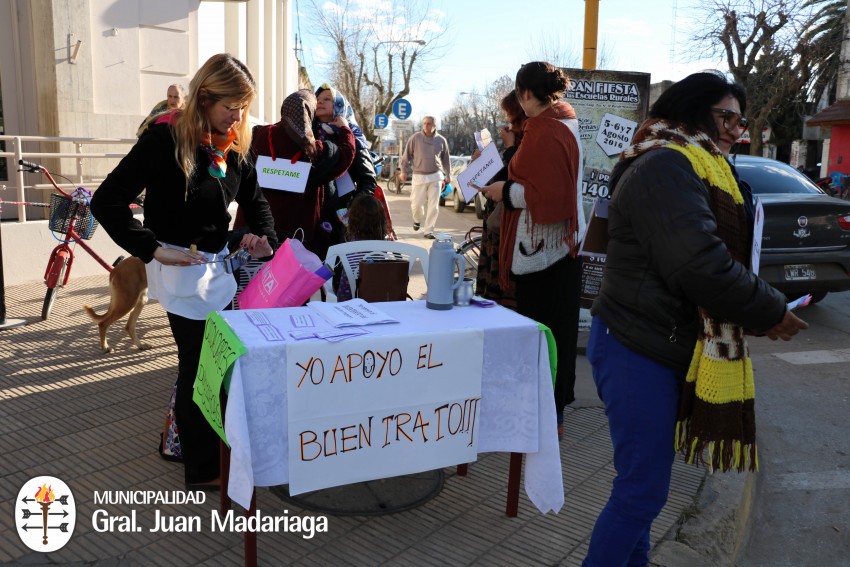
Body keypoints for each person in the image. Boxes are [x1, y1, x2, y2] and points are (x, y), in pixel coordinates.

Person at [581, 72, 808, 566]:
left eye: (740, 121)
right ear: (691, 110)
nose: (735, 131)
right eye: (726, 117)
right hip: (635, 346)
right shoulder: (665, 165)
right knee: (641, 492)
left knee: (644, 492)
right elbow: (699, 265)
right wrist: (770, 310)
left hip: (658, 343)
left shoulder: (695, 164)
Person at [91, 54, 278, 489]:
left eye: (244, 107)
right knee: (199, 367)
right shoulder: (165, 140)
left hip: (218, 271)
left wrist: (264, 238)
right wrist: (153, 248)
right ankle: (204, 469)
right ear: (206, 97)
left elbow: (258, 204)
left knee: (214, 364)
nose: (238, 117)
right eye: (231, 106)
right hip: (178, 272)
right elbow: (107, 200)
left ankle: (191, 447)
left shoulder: (233, 145)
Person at [477, 62, 585, 439]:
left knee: (544, 337)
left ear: (525, 94)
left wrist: (504, 192)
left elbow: (551, 196)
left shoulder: (545, 129)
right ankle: (551, 414)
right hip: (558, 248)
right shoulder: (563, 121)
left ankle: (542, 416)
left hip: (544, 253)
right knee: (558, 336)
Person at [233, 89, 355, 261]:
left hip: (254, 234)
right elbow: (344, 155)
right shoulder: (313, 150)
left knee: (251, 276)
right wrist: (345, 129)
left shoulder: (259, 134)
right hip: (295, 240)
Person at [473, 90, 526, 309]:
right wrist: (480, 162)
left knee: (505, 284)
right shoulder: (514, 141)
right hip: (495, 219)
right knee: (492, 278)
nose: (507, 120)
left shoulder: (528, 140)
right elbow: (493, 180)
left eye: (509, 114)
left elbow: (517, 176)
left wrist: (511, 146)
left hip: (509, 221)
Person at [314, 83, 377, 245]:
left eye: (327, 99)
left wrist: (353, 208)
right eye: (318, 98)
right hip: (311, 214)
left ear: (339, 105)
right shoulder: (308, 133)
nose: (320, 101)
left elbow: (368, 180)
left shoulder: (352, 135)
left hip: (339, 218)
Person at [400, 116, 451, 239]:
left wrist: (448, 175)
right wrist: (403, 171)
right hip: (419, 176)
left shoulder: (441, 140)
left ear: (434, 126)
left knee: (434, 205)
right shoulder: (415, 138)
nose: (426, 126)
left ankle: (429, 231)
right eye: (424, 123)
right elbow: (406, 156)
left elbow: (446, 159)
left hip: (436, 176)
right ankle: (417, 219)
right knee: (416, 204)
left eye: (429, 123)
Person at [332, 192, 389, 301]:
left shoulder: (351, 246)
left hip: (349, 298)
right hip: (379, 299)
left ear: (353, 220)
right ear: (381, 220)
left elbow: (345, 282)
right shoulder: (385, 245)